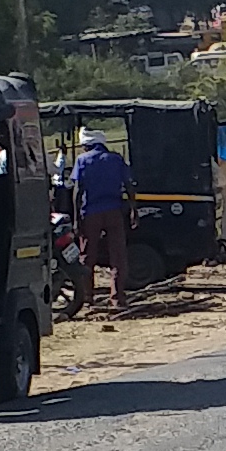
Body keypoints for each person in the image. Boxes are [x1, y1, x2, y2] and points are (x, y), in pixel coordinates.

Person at [71, 124, 135, 318]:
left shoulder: (82, 161)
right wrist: (133, 210)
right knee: (118, 256)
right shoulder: (116, 159)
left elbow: (77, 191)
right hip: (114, 212)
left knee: (87, 257)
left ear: (87, 145)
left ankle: (88, 298)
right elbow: (129, 186)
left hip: (90, 213)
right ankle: (118, 298)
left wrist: (76, 219)